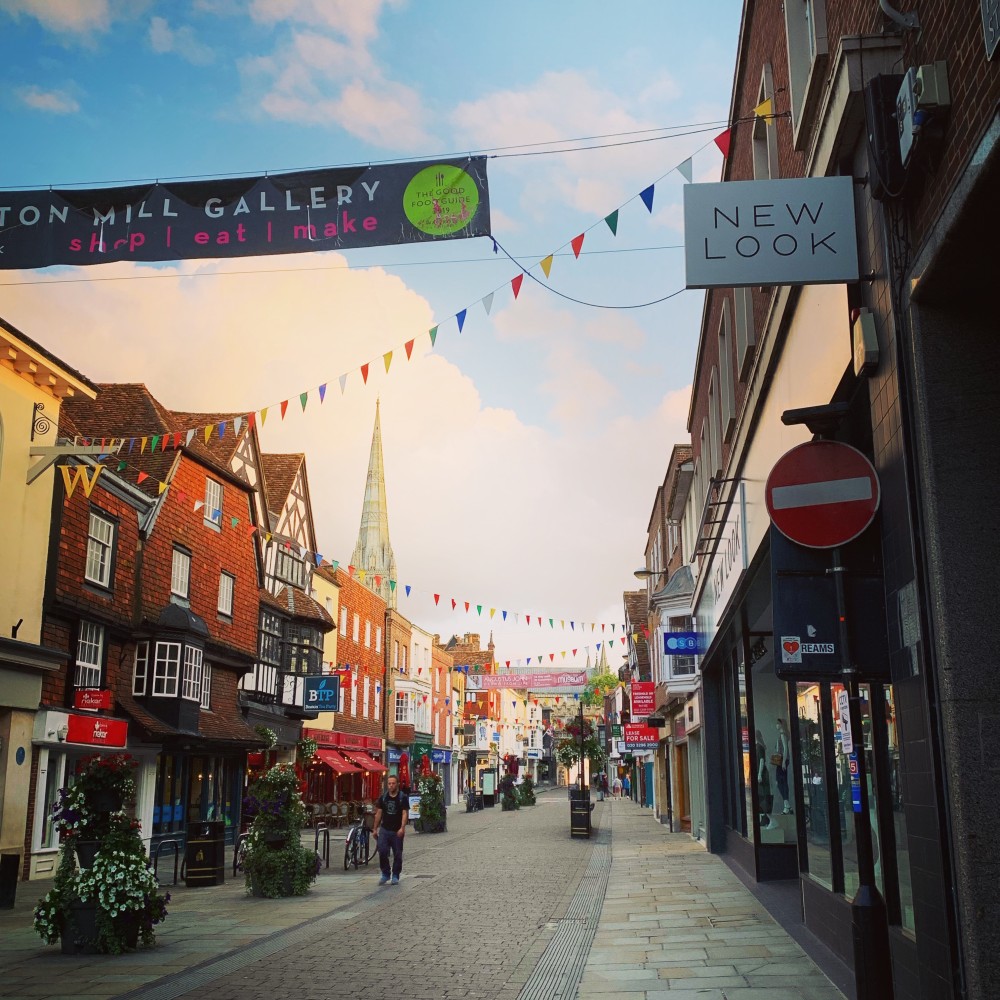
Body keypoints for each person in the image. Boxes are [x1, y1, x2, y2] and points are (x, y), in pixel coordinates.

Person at [372, 774, 408, 885]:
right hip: (385, 829)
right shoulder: (383, 798)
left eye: (393, 783)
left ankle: (396, 875)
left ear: (397, 784)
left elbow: (404, 813)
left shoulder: (402, 797)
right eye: (389, 783)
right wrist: (374, 829)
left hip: (397, 830)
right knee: (382, 850)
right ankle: (385, 873)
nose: (391, 785)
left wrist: (402, 828)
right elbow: (378, 813)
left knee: (397, 853)